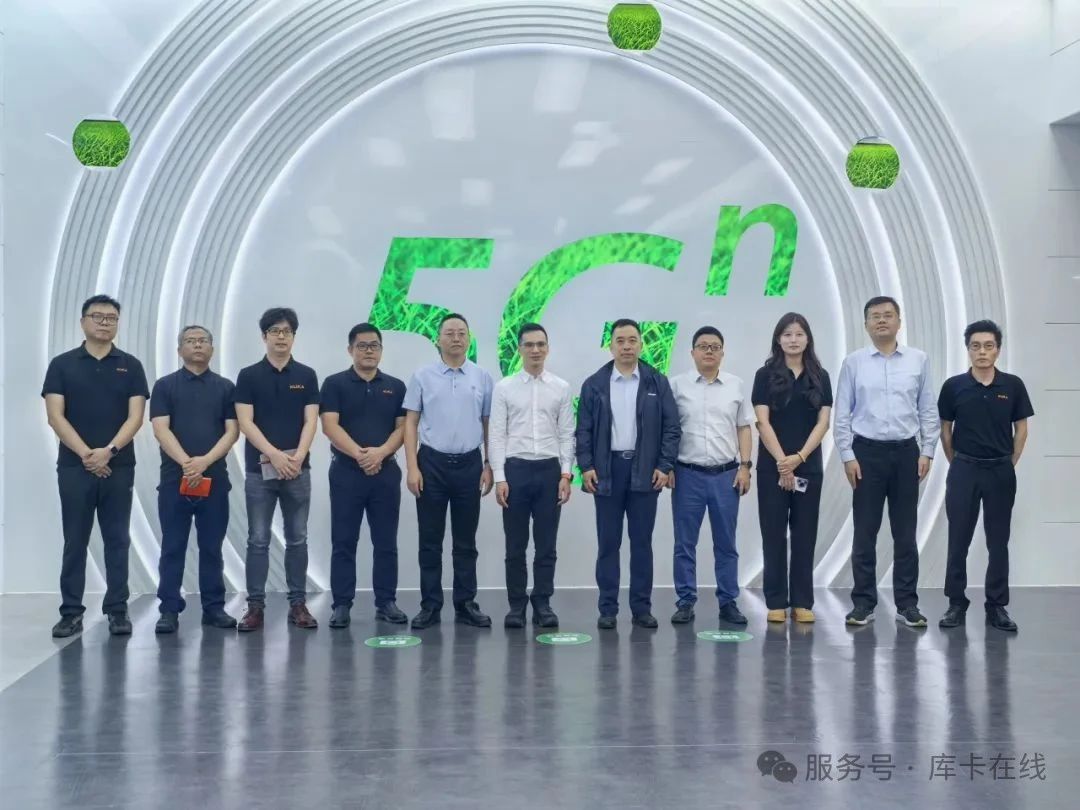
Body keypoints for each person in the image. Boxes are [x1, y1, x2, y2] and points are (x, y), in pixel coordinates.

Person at [42, 294, 149, 638]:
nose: (105, 322)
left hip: (119, 466)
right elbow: (55, 416)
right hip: (74, 467)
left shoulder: (131, 365)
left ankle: (117, 610)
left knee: (117, 540)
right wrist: (88, 454)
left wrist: (109, 451)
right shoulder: (62, 364)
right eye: (98, 316)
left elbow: (136, 417)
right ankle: (71, 612)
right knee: (75, 540)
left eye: (111, 318)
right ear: (83, 322)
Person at [834, 296, 939, 627]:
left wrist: (927, 451)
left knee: (905, 533)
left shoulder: (918, 360)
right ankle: (863, 603)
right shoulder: (853, 363)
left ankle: (907, 604)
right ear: (866, 324)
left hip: (907, 453)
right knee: (865, 532)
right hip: (866, 454)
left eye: (888, 315)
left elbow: (928, 409)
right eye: (875, 316)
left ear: (899, 322)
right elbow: (842, 414)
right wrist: (848, 456)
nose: (882, 320)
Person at [576, 318, 680, 629]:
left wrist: (664, 465)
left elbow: (672, 428)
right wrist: (586, 466)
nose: (626, 346)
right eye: (620, 341)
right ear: (610, 346)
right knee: (608, 543)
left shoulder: (656, 382)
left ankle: (641, 609)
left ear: (641, 344)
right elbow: (583, 431)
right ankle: (607, 609)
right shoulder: (594, 384)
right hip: (607, 471)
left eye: (632, 340)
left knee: (641, 543)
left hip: (645, 470)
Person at [938, 320, 1033, 632]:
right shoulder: (954, 386)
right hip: (964, 470)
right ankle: (956, 602)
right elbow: (945, 430)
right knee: (958, 539)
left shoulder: (1013, 386)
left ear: (998, 350)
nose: (982, 351)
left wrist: (1009, 462)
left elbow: (1021, 429)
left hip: (1000, 471)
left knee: (998, 541)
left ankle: (997, 605)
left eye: (988, 346)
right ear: (968, 349)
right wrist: (958, 463)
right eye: (976, 346)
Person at [403, 313, 495, 629]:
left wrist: (489, 463)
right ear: (438, 339)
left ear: (469, 339)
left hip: (470, 464)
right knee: (430, 540)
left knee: (465, 542)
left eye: (461, 333)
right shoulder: (422, 376)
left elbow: (488, 424)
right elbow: (411, 423)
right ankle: (430, 605)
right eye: (450, 333)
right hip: (431, 465)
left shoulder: (482, 377)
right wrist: (412, 467)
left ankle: (466, 604)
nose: (456, 338)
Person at [233, 307, 320, 631]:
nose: (281, 337)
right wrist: (274, 456)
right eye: (275, 331)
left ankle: (298, 604)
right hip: (260, 471)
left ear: (294, 336)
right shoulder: (248, 376)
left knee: (298, 539)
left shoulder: (307, 375)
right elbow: (246, 422)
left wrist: (297, 457)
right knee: (257, 539)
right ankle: (255, 607)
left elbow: (311, 420)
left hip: (298, 469)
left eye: (287, 331)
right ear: (264, 336)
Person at [149, 325, 240, 633]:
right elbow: (160, 428)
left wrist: (204, 461)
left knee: (212, 547)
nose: (197, 345)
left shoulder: (226, 387)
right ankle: (169, 609)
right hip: (174, 481)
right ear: (179, 350)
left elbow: (232, 431)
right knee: (172, 547)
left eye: (203, 341)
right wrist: (187, 463)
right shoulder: (165, 386)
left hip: (214, 480)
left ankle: (213, 608)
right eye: (190, 341)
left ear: (212, 349)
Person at [320, 324, 407, 628]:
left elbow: (403, 429)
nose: (369, 351)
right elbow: (329, 426)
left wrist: (380, 453)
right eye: (362, 346)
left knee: (386, 542)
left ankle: (386, 602)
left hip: (386, 472)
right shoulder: (334, 384)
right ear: (350, 350)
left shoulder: (396, 386)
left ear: (381, 350)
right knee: (344, 540)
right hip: (346, 473)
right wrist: (361, 455)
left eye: (374, 346)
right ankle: (342, 604)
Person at [489, 323, 575, 629]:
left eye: (541, 344)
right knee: (515, 546)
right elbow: (497, 435)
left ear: (547, 348)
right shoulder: (504, 388)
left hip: (549, 470)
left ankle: (542, 603)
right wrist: (500, 477)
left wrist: (566, 474)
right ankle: (516, 605)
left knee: (546, 545)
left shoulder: (561, 388)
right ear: (520, 349)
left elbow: (566, 434)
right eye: (529, 345)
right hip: (516, 470)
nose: (535, 350)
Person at [668, 326, 754, 626]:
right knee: (684, 544)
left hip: (726, 475)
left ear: (722, 352)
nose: (709, 351)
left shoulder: (735, 385)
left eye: (714, 346)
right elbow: (668, 430)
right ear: (692, 352)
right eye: (703, 346)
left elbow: (744, 428)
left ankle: (728, 602)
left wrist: (745, 466)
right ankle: (685, 601)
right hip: (686, 474)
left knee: (726, 543)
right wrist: (667, 466)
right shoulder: (676, 386)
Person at [752, 314, 832, 625]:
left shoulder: (820, 376)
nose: (793, 340)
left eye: (799, 334)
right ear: (778, 339)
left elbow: (823, 423)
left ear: (808, 338)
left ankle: (802, 601)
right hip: (771, 468)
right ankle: (775, 601)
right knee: (773, 534)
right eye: (787, 334)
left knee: (804, 535)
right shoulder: (764, 375)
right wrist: (782, 463)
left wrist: (798, 458)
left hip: (808, 467)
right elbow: (762, 422)